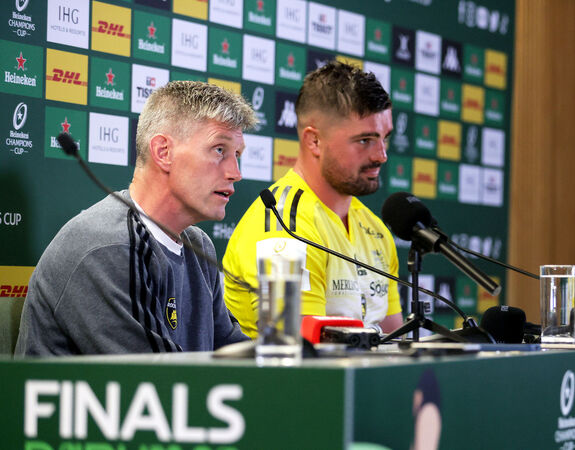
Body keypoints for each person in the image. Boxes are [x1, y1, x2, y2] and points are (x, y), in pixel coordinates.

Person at [15, 81, 256, 356]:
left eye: (237, 155)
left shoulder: (198, 246)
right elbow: (156, 376)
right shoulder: (108, 247)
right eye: (219, 150)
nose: (235, 173)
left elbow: (235, 354)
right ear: (163, 152)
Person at [223, 61, 403, 338]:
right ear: (314, 141)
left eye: (384, 138)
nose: (381, 155)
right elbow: (294, 349)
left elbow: (397, 341)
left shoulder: (375, 229)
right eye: (365, 140)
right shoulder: (282, 226)